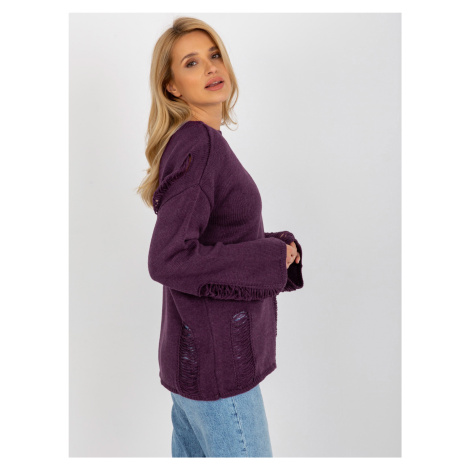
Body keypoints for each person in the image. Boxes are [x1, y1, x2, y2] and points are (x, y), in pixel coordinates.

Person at [136, 16, 304, 458]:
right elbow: (169, 257)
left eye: (214, 55)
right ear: (172, 87)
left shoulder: (193, 142)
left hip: (196, 367)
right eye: (191, 63)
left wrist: (275, 248)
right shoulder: (200, 145)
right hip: (219, 373)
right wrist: (268, 258)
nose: (211, 67)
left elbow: (214, 237)